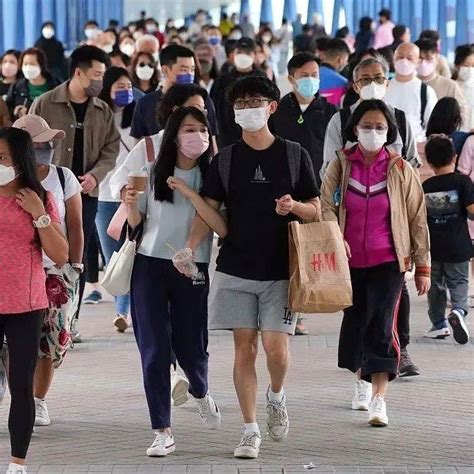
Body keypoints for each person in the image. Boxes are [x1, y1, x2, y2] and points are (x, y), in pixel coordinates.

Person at [187, 76, 320, 458]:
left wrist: (293, 207)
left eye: (255, 101)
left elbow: (316, 210)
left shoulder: (294, 154)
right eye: (240, 104)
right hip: (235, 267)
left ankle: (276, 395)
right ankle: (249, 429)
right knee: (243, 349)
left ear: (272, 107)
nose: (247, 109)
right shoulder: (226, 159)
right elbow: (209, 210)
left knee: (275, 349)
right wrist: (191, 248)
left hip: (282, 269)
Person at [321, 99, 430, 427]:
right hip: (349, 261)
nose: (372, 132)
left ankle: (379, 400)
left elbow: (417, 217)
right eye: (366, 126)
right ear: (354, 129)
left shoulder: (399, 169)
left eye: (379, 127)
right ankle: (361, 383)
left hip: (389, 260)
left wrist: (423, 265)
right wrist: (334, 236)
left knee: (383, 325)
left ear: (389, 131)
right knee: (356, 324)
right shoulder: (341, 164)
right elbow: (326, 204)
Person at [125, 107, 224, 457]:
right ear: (173, 135)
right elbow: (139, 223)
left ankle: (200, 391)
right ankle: (162, 430)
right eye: (188, 129)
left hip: (191, 268)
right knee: (153, 349)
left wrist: (190, 249)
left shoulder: (213, 176)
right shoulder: (154, 172)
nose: (196, 136)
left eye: (202, 129)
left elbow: (216, 222)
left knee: (191, 347)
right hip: (149, 265)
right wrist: (130, 206)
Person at [321, 57, 422, 377]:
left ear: (387, 80)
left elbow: (412, 169)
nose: (373, 83)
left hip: (390, 232)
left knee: (392, 298)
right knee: (358, 306)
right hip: (352, 231)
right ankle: (361, 368)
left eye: (378, 77)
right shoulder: (340, 121)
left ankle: (398, 349)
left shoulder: (401, 121)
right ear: (355, 84)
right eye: (365, 79)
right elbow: (330, 173)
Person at [29, 45, 120, 340]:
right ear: (78, 73)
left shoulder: (102, 109)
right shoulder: (45, 103)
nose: (100, 82)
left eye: (103, 76)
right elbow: (24, 144)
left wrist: (96, 176)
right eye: (96, 75)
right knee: (41, 251)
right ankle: (38, 312)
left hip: (84, 192)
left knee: (76, 250)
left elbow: (111, 147)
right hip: (45, 191)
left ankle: (70, 317)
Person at [0, 127, 69, 474]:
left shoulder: (38, 196)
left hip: (25, 303)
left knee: (21, 384)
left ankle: (17, 463)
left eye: (3, 158)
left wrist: (38, 212)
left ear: (20, 161)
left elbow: (59, 254)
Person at [12, 114, 84, 428]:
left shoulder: (63, 177)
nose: (45, 149)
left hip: (56, 271)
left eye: (47, 143)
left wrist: (75, 268)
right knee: (16, 341)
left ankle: (39, 401)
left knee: (52, 340)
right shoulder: (7, 178)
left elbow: (76, 226)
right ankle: (20, 397)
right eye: (37, 144)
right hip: (15, 271)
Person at [96, 67, 137, 333]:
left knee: (130, 252)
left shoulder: (138, 118)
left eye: (129, 87)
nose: (126, 92)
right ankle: (122, 307)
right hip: (103, 194)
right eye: (119, 87)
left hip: (130, 194)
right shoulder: (98, 117)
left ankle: (124, 311)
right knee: (113, 256)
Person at [423, 135, 472, 345]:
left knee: (435, 287)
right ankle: (459, 310)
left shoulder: (425, 185)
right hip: (459, 246)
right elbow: (471, 210)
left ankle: (439, 324)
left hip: (433, 247)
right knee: (459, 281)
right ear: (454, 156)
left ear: (429, 162)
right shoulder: (463, 181)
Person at [270, 52, 337, 185]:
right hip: (284, 182)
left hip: (319, 183)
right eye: (304, 76)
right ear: (291, 79)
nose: (311, 79)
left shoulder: (330, 111)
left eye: (314, 75)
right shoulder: (277, 110)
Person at [130, 45, 218, 142]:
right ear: (165, 70)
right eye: (183, 70)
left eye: (192, 70)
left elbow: (211, 139)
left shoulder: (202, 100)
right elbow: (138, 143)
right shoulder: (145, 103)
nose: (189, 74)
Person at [210, 37, 266, 148]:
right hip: (226, 140)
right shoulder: (222, 81)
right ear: (233, 55)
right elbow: (213, 110)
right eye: (239, 52)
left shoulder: (263, 80)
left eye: (247, 53)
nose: (243, 56)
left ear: (254, 55)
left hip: (256, 139)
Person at [385, 42, 438, 141]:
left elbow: (431, 125)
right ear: (393, 59)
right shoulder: (384, 87)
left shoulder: (426, 92)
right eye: (400, 57)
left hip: (416, 148)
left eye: (409, 58)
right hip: (386, 147)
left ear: (417, 62)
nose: (404, 61)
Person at [415, 39, 468, 129]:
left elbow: (462, 112)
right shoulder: (408, 84)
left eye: (428, 58)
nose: (423, 63)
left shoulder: (450, 85)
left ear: (436, 59)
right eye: (419, 58)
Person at [6, 48, 59, 119]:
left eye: (32, 64)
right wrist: (15, 112)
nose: (28, 67)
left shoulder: (55, 86)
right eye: (25, 64)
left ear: (41, 65)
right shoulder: (16, 86)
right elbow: (7, 109)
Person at [319, 38, 350, 106]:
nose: (346, 64)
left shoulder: (311, 78)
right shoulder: (343, 83)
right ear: (340, 59)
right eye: (346, 60)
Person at [453, 44, 474, 131]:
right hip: (455, 136)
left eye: (473, 66)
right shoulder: (451, 86)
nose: (470, 69)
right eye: (466, 65)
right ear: (457, 66)